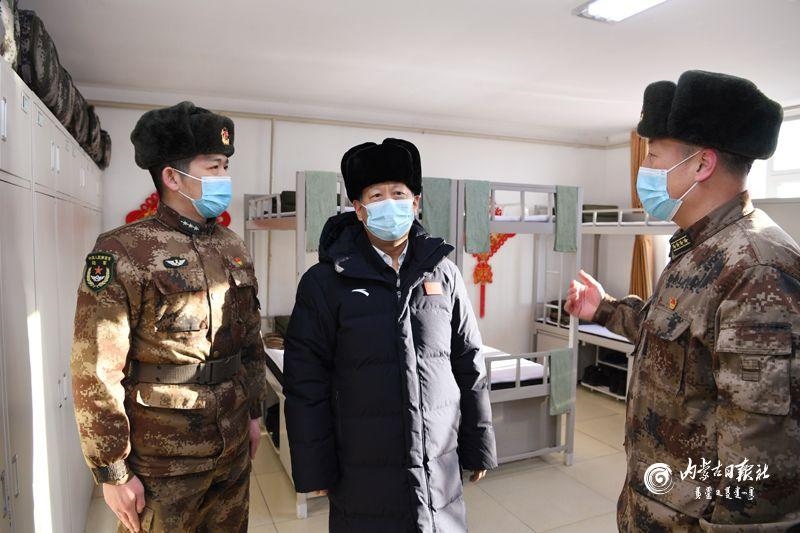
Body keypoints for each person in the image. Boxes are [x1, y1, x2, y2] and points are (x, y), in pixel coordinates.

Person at [566, 70, 800, 530]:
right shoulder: (700, 247)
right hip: (656, 507)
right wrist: (605, 309)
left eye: (654, 156)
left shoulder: (756, 268)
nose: (646, 170)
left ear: (702, 165)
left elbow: (760, 459)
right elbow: (678, 341)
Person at [71, 101, 268, 532]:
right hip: (164, 460)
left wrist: (255, 414)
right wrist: (112, 469)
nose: (224, 176)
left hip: (232, 446)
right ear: (173, 177)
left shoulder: (232, 246)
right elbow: (95, 368)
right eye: (213, 166)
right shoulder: (124, 250)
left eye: (226, 166)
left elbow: (250, 342)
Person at [283, 138, 497, 532]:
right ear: (359, 209)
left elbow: (469, 361)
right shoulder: (324, 283)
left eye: (398, 193)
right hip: (362, 468)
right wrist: (314, 466)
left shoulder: (444, 273)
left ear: (415, 202)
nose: (389, 203)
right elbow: (305, 381)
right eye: (376, 195)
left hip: (438, 464)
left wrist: (478, 442)